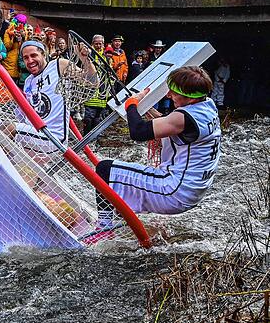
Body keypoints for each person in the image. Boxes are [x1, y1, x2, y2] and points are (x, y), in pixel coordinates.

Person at [95, 66, 221, 229]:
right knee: (123, 179)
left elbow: (138, 132)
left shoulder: (182, 118)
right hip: (193, 191)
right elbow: (171, 122)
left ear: (189, 98)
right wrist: (149, 110)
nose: (168, 95)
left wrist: (131, 104)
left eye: (173, 93)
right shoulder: (208, 105)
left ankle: (103, 228)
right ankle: (121, 221)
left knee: (104, 169)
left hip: (174, 191)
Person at [9, 39, 96, 155]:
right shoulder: (28, 81)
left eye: (34, 55)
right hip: (31, 135)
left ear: (43, 54)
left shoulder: (58, 65)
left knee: (7, 128)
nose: (30, 60)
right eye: (26, 58)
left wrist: (85, 59)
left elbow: (92, 82)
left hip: (53, 139)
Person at [83, 34, 111, 135]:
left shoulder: (107, 58)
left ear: (103, 44)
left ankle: (95, 139)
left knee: (98, 120)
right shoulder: (88, 56)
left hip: (102, 93)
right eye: (96, 44)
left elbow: (109, 76)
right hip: (90, 91)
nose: (98, 46)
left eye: (100, 44)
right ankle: (85, 139)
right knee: (88, 119)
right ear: (92, 44)